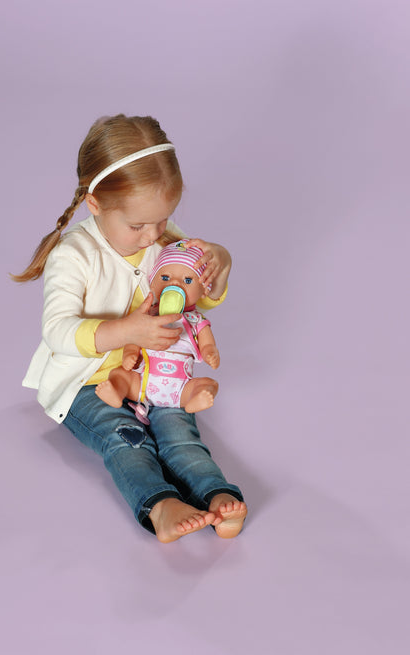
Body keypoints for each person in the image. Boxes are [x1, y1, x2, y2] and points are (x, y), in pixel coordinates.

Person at [13, 114, 247, 543]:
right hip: (85, 383)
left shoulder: (162, 237)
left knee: (179, 431)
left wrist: (222, 265)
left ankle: (216, 494)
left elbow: (194, 296)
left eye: (164, 219)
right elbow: (58, 332)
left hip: (154, 374)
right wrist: (126, 332)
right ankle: (160, 504)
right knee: (127, 438)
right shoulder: (75, 255)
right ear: (95, 204)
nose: (153, 236)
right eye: (138, 225)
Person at [95, 239, 221, 417]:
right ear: (152, 283)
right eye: (165, 278)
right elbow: (133, 337)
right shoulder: (148, 314)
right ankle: (117, 390)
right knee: (119, 374)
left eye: (187, 280)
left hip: (180, 389)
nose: (174, 284)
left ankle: (196, 398)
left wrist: (210, 354)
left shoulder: (196, 320)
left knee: (209, 384)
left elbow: (207, 344)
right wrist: (130, 354)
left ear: (204, 290)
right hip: (141, 385)